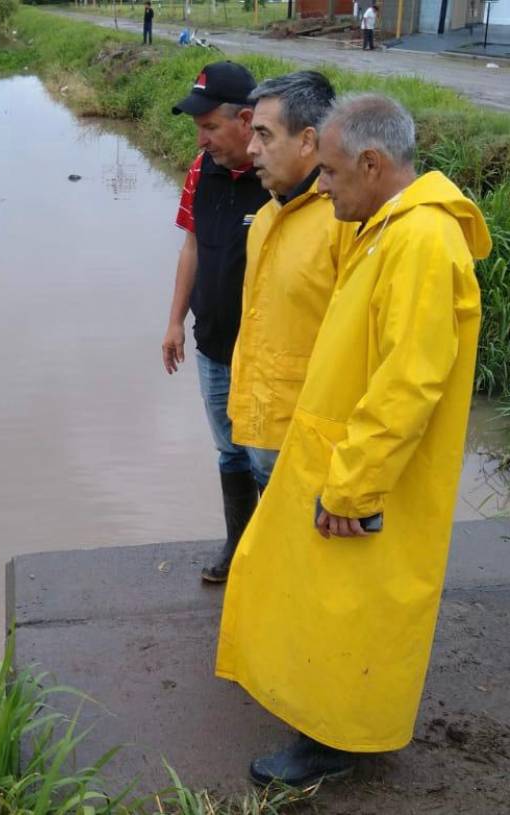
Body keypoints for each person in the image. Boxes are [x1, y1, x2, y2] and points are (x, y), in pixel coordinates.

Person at [216, 94, 491, 787]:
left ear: (372, 164)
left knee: (349, 610)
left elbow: (408, 382)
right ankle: (332, 724)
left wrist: (353, 484)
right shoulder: (387, 225)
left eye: (332, 173)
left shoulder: (423, 242)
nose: (325, 185)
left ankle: (333, 742)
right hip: (343, 456)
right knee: (332, 602)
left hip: (368, 474)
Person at [227, 71, 351, 585]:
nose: (250, 147)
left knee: (314, 572)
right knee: (280, 564)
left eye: (264, 135)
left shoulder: (343, 223)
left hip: (310, 447)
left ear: (308, 141)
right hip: (261, 429)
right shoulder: (268, 218)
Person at [163, 62, 270, 583]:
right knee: (229, 450)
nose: (202, 140)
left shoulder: (283, 177)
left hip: (268, 353)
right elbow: (191, 247)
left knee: (268, 459)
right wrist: (174, 322)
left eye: (210, 127)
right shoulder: (198, 170)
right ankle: (238, 548)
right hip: (212, 345)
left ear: (246, 120)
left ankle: (276, 560)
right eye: (198, 129)